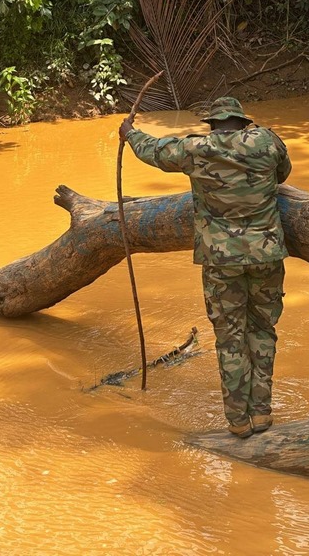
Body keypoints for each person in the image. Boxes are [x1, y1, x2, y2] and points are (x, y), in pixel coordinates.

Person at [119, 96, 292, 439]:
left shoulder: (196, 149)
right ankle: (262, 415)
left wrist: (130, 133)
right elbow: (283, 174)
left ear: (213, 124)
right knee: (263, 331)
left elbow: (154, 151)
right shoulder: (268, 141)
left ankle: (238, 423)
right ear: (243, 123)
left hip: (220, 260)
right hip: (266, 256)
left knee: (230, 339)